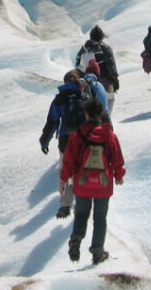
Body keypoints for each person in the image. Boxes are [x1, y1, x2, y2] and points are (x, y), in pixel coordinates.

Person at [60, 99, 125, 266]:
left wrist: (64, 178)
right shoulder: (109, 135)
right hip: (103, 184)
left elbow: (69, 160)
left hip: (82, 183)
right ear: (101, 113)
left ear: (86, 113)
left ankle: (76, 238)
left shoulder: (77, 135)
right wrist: (119, 176)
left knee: (81, 213)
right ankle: (97, 252)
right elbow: (117, 158)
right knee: (100, 218)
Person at [39, 70, 89, 218]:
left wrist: (44, 141)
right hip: (83, 141)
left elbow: (52, 122)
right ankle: (82, 203)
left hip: (65, 141)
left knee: (66, 172)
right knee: (81, 172)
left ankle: (65, 204)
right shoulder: (85, 97)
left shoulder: (59, 99)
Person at [75, 25, 120, 113]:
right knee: (106, 108)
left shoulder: (83, 50)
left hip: (87, 85)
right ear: (101, 36)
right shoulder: (105, 48)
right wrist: (115, 81)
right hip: (105, 83)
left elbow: (78, 66)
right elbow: (111, 66)